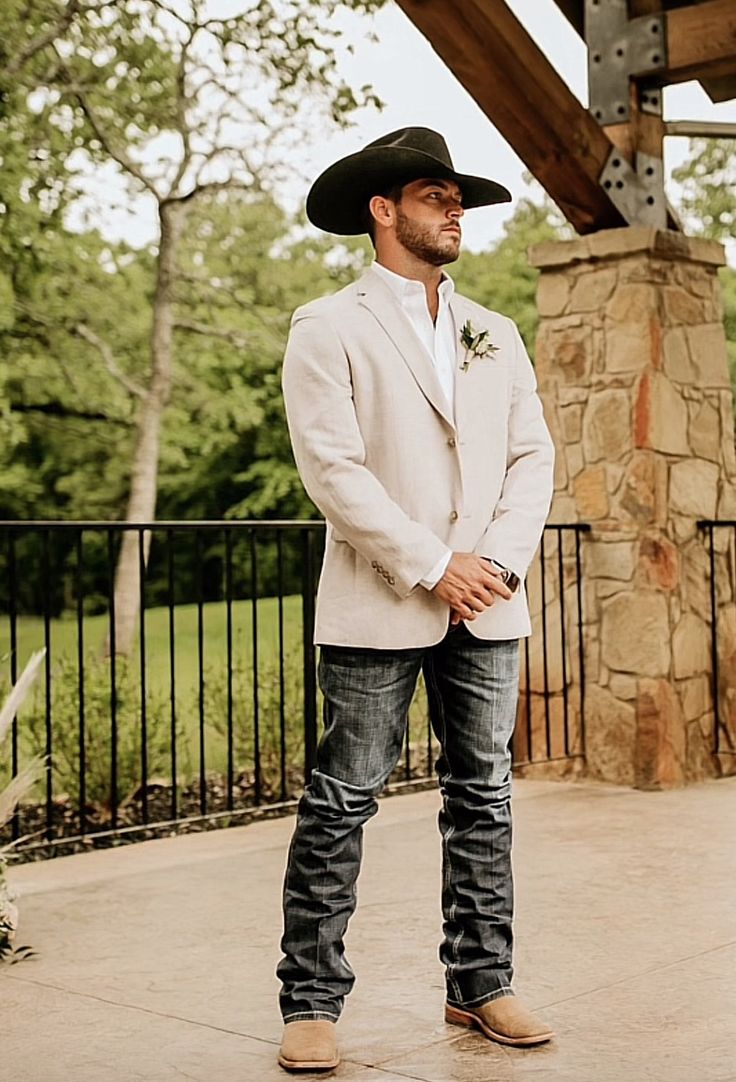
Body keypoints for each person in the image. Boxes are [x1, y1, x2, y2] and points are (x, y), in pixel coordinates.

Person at [277, 127, 555, 1073]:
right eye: (436, 196)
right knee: (344, 796)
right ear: (383, 210)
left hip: (490, 603)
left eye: (458, 198)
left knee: (484, 793)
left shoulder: (497, 332)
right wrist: (434, 562)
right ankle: (310, 1002)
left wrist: (498, 566)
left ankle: (482, 984)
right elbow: (332, 470)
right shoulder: (328, 325)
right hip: (380, 596)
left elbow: (532, 456)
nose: (456, 211)